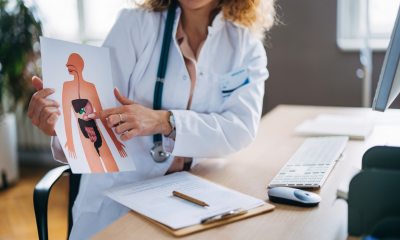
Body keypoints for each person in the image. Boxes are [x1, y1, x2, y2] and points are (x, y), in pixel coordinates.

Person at [28, 0, 276, 238]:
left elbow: (240, 128)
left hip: (192, 194)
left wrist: (163, 121)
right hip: (119, 198)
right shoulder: (135, 25)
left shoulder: (245, 47)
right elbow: (96, 116)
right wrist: (60, 124)